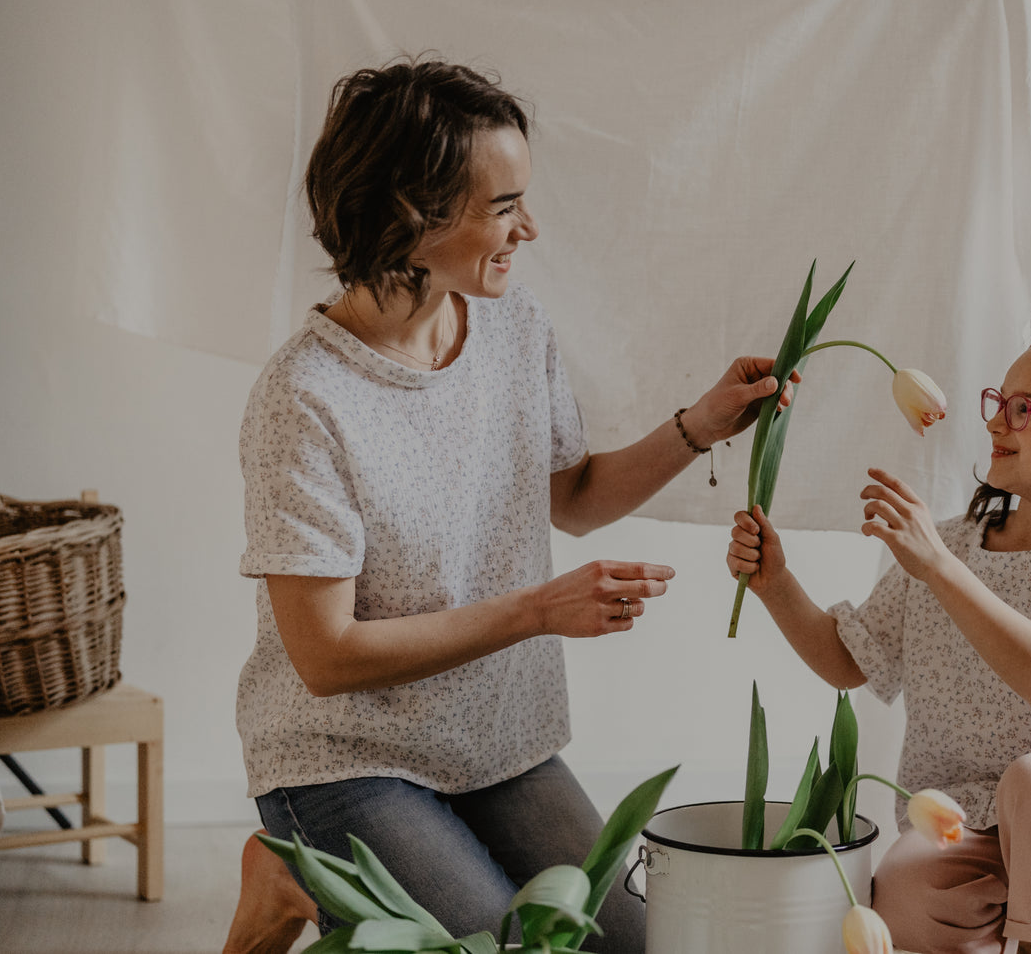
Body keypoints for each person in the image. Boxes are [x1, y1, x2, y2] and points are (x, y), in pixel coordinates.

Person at [222, 56, 791, 954]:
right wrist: (536, 610)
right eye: (502, 206)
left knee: (637, 947)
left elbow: (574, 498)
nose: (530, 225)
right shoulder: (305, 398)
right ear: (410, 215)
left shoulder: (513, 326)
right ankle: (292, 859)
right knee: (495, 947)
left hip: (495, 743)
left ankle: (299, 874)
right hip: (343, 759)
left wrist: (702, 423)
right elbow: (324, 657)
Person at [726, 329, 1031, 954]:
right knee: (905, 886)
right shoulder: (951, 543)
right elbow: (848, 660)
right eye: (999, 401)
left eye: (1025, 409)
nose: (998, 420)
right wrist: (775, 583)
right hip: (971, 817)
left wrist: (940, 567)